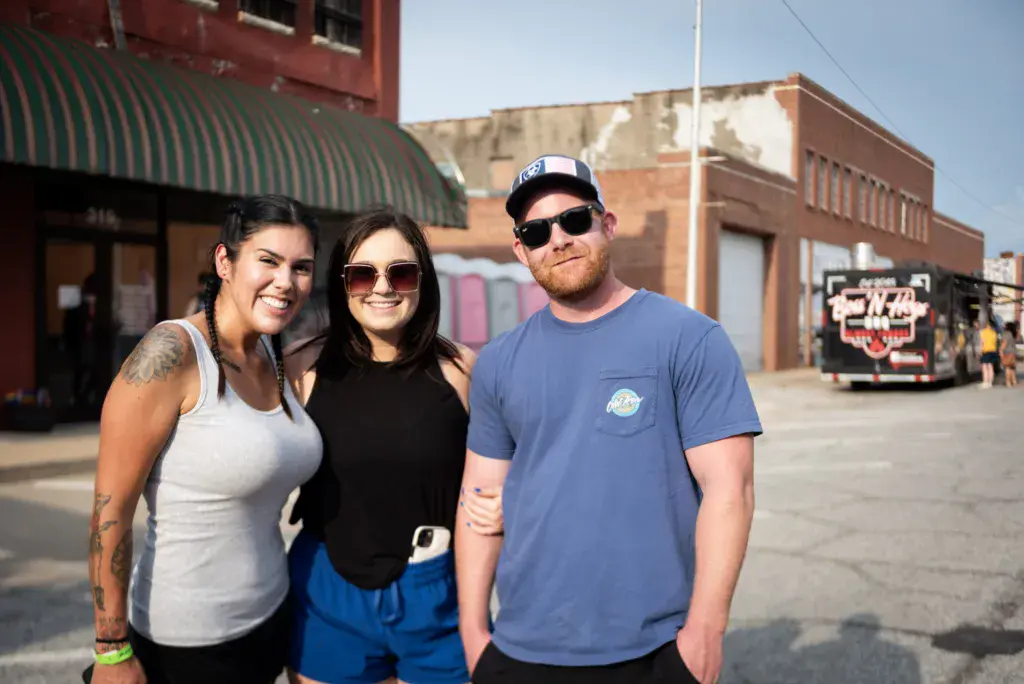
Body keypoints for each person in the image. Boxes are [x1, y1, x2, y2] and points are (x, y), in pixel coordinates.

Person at [456, 155, 762, 684]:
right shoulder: (499, 362)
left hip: (653, 649)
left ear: (608, 224)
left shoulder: (689, 338)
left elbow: (730, 490)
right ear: (521, 250)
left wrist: (706, 632)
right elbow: (479, 503)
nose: (558, 240)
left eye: (575, 220)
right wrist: (473, 634)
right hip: (519, 650)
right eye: (536, 232)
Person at [87, 195, 324, 684]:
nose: (286, 281)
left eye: (301, 267)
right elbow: (110, 513)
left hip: (271, 619)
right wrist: (111, 650)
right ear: (224, 262)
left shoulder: (273, 356)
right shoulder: (172, 352)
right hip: (187, 645)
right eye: (268, 261)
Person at [283, 207, 503, 684]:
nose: (382, 288)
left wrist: (511, 499)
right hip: (327, 592)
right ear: (342, 283)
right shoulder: (299, 368)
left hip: (439, 593)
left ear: (423, 282)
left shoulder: (462, 370)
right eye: (363, 274)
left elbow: (509, 465)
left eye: (400, 273)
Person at [979, 318, 999, 389]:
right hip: (993, 351)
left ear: (988, 324)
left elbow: (982, 342)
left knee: (985, 367)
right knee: (990, 367)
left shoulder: (983, 332)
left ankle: (985, 382)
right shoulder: (994, 333)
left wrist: (981, 351)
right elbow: (996, 343)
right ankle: (990, 383)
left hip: (986, 351)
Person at [1000, 321, 1017, 388]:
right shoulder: (1013, 333)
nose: (1003, 326)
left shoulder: (1006, 333)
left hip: (1007, 352)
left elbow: (1004, 342)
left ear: (1007, 327)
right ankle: (1014, 381)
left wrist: (1001, 350)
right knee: (1012, 367)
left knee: (1007, 367)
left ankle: (1008, 382)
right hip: (1013, 351)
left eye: (1005, 325)